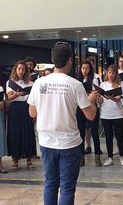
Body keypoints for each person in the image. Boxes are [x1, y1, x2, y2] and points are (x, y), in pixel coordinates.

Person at [28, 42, 98, 205]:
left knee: (50, 183)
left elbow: (32, 113)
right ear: (69, 60)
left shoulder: (39, 83)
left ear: (53, 60)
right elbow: (91, 115)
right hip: (69, 143)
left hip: (46, 142)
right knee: (67, 188)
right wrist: (92, 101)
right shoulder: (75, 84)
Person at [6, 61, 37, 171]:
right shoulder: (10, 82)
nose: (21, 71)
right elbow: (9, 97)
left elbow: (34, 99)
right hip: (15, 108)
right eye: (19, 69)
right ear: (16, 69)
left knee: (28, 132)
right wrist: (17, 94)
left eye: (23, 69)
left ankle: (29, 160)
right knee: (15, 133)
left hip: (27, 107)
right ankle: (15, 160)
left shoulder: (31, 83)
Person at [98, 65, 123, 166]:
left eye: (113, 73)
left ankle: (122, 156)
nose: (111, 75)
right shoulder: (102, 85)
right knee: (108, 136)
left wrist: (111, 98)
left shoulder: (120, 84)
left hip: (117, 114)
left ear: (116, 74)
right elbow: (101, 101)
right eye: (109, 72)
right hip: (105, 114)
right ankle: (110, 157)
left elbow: (119, 98)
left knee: (119, 136)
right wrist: (97, 96)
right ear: (107, 73)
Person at [76, 61, 102, 167]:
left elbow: (98, 92)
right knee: (81, 133)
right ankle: (81, 157)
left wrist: (91, 93)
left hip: (92, 106)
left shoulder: (95, 78)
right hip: (80, 108)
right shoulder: (77, 80)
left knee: (95, 132)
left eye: (86, 68)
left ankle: (97, 156)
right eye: (83, 68)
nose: (84, 70)